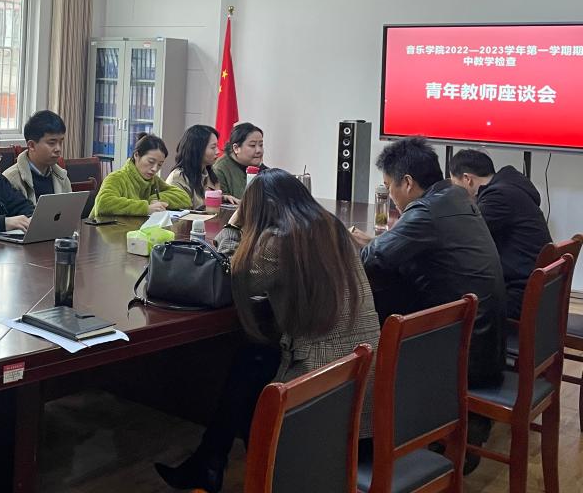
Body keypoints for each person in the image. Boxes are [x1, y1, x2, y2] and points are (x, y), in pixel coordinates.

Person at [155, 168, 380, 492]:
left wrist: (234, 224)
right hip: (363, 370)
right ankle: (213, 461)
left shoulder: (279, 242)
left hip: (322, 377)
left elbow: (228, 272)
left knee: (250, 380)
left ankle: (261, 472)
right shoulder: (333, 228)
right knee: (251, 359)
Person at [350, 137, 505, 472]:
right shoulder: (454, 196)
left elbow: (372, 260)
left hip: (462, 351)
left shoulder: (427, 211)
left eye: (389, 186)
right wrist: (380, 242)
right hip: (485, 338)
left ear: (407, 182)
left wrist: (364, 245)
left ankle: (374, 432)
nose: (390, 194)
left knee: (372, 315)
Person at [449, 149, 552, 319]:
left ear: (467, 179)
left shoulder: (498, 197)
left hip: (519, 295)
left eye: (454, 184)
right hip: (534, 288)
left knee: (452, 300)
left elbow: (463, 234)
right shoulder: (510, 187)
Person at [91, 133, 192, 217]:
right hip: (100, 232)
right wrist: (145, 208)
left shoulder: (153, 180)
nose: (154, 169)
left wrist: (156, 199)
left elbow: (185, 198)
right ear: (136, 155)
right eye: (151, 162)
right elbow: (103, 203)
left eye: (159, 165)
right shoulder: (116, 178)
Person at [3, 110, 72, 203]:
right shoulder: (10, 180)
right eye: (52, 143)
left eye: (61, 142)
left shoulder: (62, 177)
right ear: (31, 145)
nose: (58, 149)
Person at [165, 125, 240, 208]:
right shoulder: (178, 178)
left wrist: (223, 198)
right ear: (197, 149)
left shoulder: (210, 175)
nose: (218, 151)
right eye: (213, 147)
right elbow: (179, 212)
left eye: (217, 146)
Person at [210, 122, 266, 200]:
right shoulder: (219, 170)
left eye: (261, 145)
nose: (259, 150)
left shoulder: (264, 170)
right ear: (236, 148)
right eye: (252, 145)